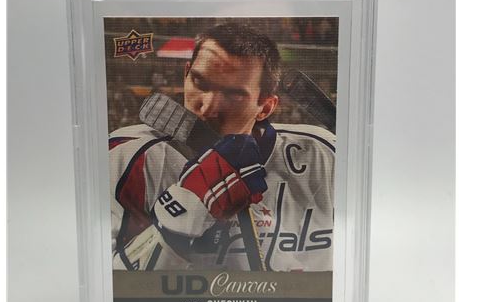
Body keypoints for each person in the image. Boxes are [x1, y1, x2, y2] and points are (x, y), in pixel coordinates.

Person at [109, 23, 335, 271]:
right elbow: (106, 282)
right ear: (186, 74)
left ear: (266, 107)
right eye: (200, 83)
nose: (207, 107)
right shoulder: (126, 156)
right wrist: (180, 216)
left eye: (233, 94)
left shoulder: (325, 155)